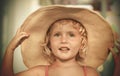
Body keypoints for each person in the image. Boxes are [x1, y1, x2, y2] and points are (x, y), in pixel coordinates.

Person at [1, 5, 114, 76]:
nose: (63, 40)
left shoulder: (90, 73)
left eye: (71, 35)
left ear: (82, 43)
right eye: (57, 35)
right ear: (49, 43)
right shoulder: (39, 72)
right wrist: (10, 49)